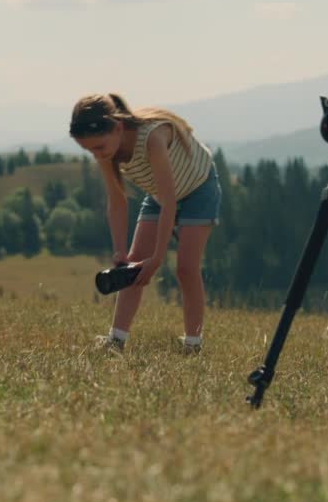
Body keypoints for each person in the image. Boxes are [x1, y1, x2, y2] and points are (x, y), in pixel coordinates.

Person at [69, 92, 221, 354]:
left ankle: (192, 345)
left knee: (186, 268)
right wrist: (120, 251)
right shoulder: (106, 153)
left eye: (99, 148)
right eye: (89, 150)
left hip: (198, 189)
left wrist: (158, 258)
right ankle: (115, 341)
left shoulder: (153, 137)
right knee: (133, 263)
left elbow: (170, 203)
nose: (97, 155)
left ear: (118, 128)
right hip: (160, 195)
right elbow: (117, 202)